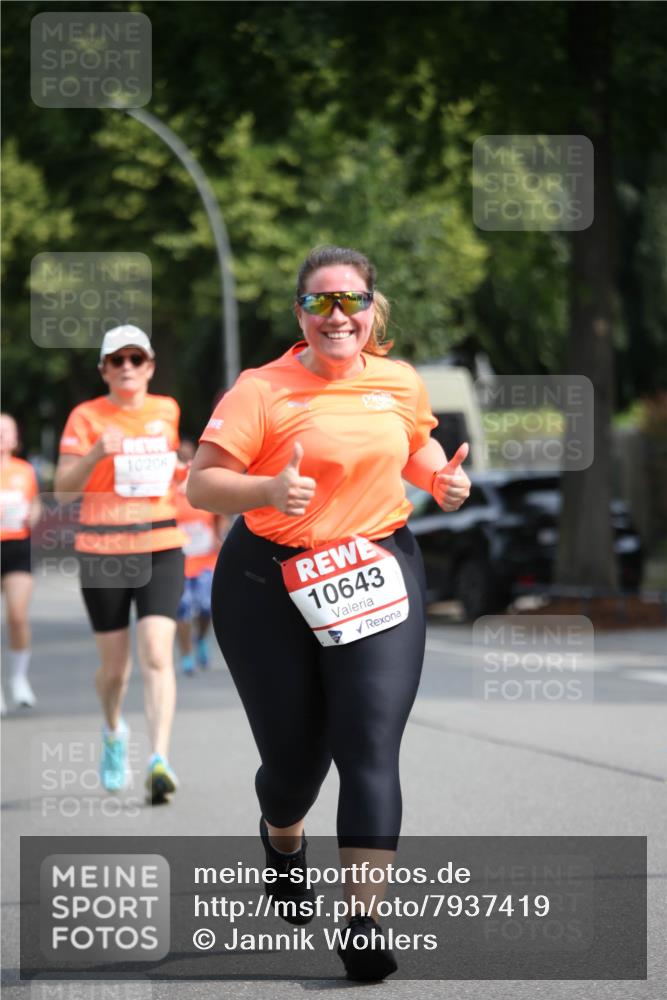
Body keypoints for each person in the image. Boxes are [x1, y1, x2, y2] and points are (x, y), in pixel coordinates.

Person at [187, 245, 471, 981]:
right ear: (299, 313)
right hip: (265, 584)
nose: (336, 316)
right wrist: (263, 494)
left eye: (350, 301)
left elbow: (415, 448)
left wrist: (441, 480)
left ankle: (363, 921)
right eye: (319, 303)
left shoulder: (397, 381)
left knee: (367, 741)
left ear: (372, 310)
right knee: (294, 766)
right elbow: (203, 484)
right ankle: (282, 841)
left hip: (374, 572)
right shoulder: (261, 389)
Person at [53, 326, 187, 803]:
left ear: (150, 365)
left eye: (136, 358)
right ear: (104, 370)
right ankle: (114, 733)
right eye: (117, 360)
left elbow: (167, 470)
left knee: (156, 651)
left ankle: (160, 759)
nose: (127, 367)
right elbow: (64, 489)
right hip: (103, 549)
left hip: (160, 541)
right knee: (116, 669)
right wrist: (95, 453)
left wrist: (182, 475)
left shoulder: (167, 410)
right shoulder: (86, 416)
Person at [173, 439, 228, 675]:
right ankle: (186, 656)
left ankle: (201, 640)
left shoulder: (202, 482)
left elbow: (221, 511)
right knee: (183, 608)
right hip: (181, 559)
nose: (186, 460)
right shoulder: (168, 487)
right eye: (181, 455)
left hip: (206, 558)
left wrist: (219, 535)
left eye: (189, 456)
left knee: (207, 607)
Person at [1, 413, 41, 712]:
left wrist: (33, 516)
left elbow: (36, 503)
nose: (2, 436)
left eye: (7, 431)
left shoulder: (25, 469)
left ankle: (17, 678)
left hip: (17, 545)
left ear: (16, 438)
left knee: (17, 616)